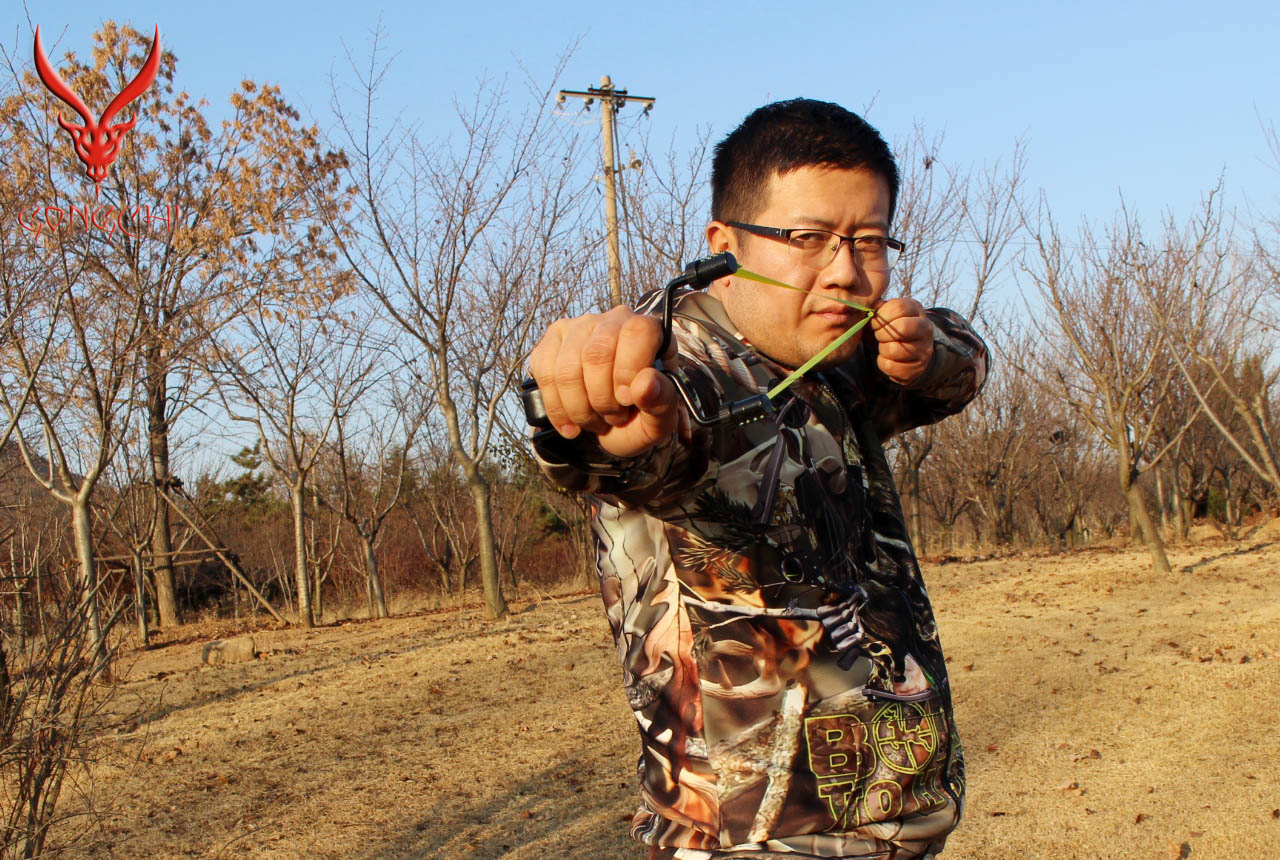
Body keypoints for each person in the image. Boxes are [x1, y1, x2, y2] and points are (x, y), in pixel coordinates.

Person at [526, 98, 988, 860]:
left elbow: (964, 363)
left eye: (868, 240)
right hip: (755, 842)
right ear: (725, 245)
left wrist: (928, 348)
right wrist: (595, 413)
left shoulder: (840, 361)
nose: (844, 271)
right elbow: (632, 446)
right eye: (806, 238)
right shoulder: (686, 368)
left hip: (893, 814)